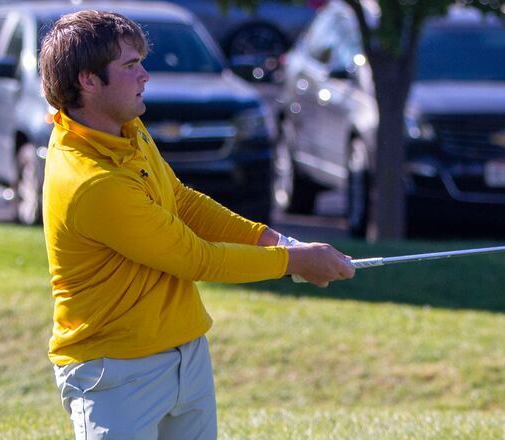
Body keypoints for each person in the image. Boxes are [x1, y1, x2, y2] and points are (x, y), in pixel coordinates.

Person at [39, 10, 354, 439]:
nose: (146, 75)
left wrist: (276, 240)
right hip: (114, 375)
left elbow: (182, 202)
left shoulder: (125, 128)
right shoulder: (92, 183)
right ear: (88, 81)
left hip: (186, 356)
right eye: (130, 66)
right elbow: (195, 259)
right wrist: (293, 262)